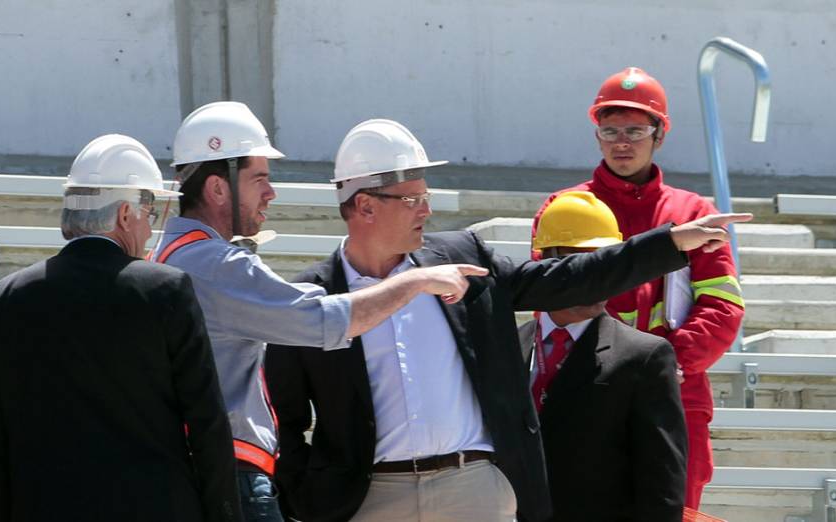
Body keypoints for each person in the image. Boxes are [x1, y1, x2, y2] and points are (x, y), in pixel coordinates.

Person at [265, 118, 748, 522]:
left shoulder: (463, 258)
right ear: (365, 205)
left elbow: (566, 278)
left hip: (472, 489)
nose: (427, 210)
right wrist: (305, 493)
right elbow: (284, 415)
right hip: (369, 500)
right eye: (412, 199)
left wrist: (667, 243)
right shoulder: (313, 298)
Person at [149, 103, 485, 522]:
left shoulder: (164, 255)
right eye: (260, 179)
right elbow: (320, 321)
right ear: (218, 189)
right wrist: (414, 282)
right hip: (227, 474)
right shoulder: (217, 265)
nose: (271, 193)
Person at [0, 135, 240, 521]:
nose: (147, 232)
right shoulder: (165, 290)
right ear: (126, 214)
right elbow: (207, 423)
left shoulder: (8, 297)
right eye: (149, 214)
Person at [531, 67, 746, 510]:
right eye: (609, 130)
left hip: (675, 393)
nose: (621, 142)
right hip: (584, 386)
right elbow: (546, 295)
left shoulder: (693, 212)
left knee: (670, 508)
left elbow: (722, 307)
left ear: (659, 135)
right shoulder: (564, 207)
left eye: (635, 129)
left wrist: (666, 363)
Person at [521, 191, 686, 521]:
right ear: (543, 263)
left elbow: (661, 483)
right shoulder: (509, 344)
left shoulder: (644, 357)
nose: (594, 282)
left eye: (604, 264)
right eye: (581, 264)